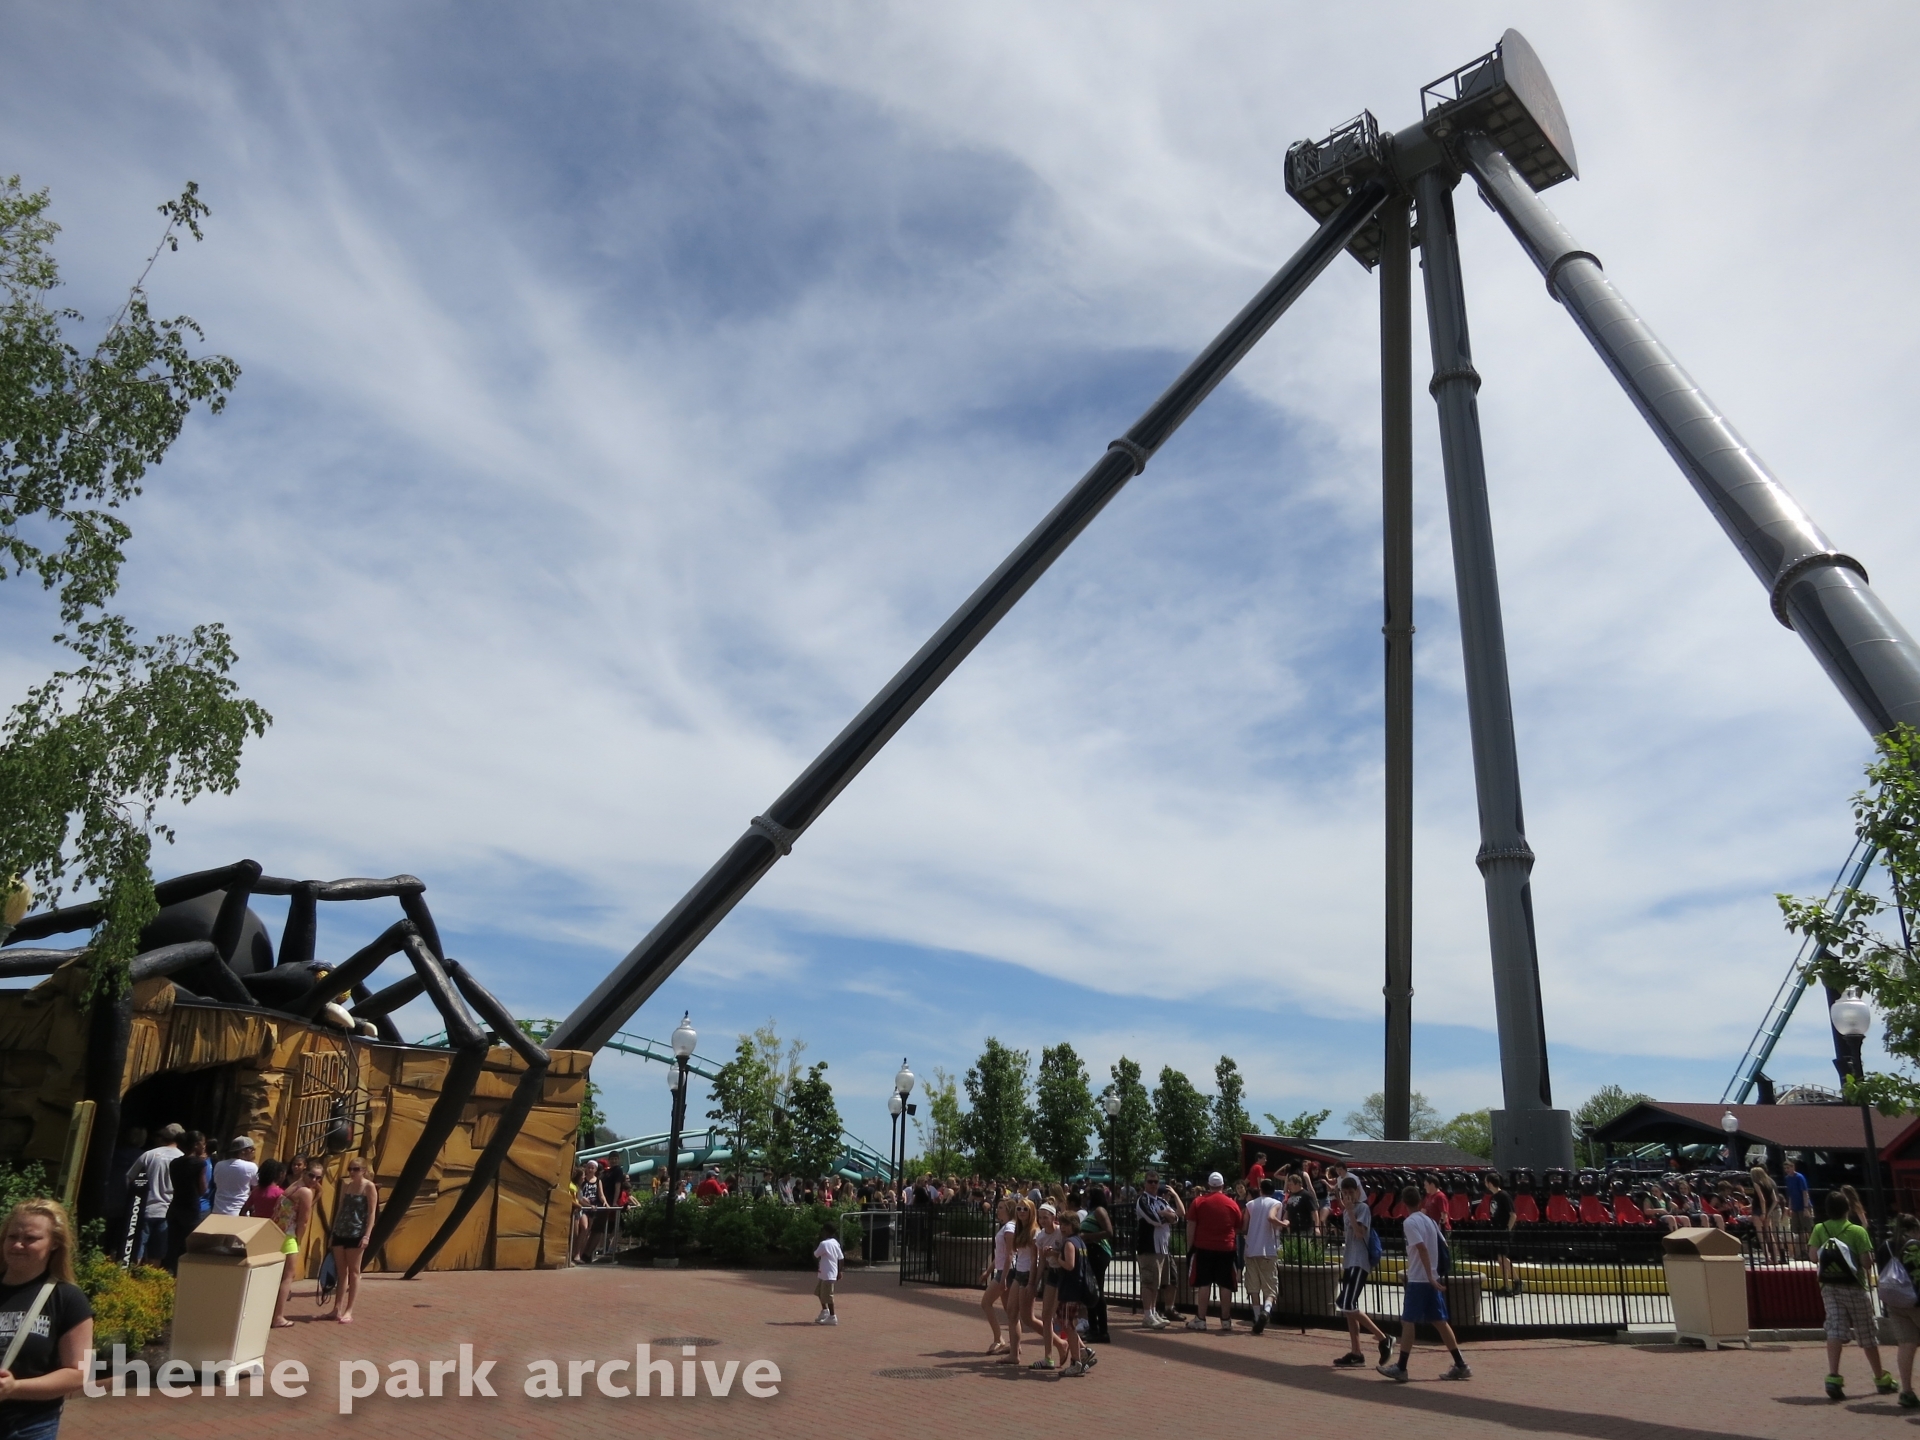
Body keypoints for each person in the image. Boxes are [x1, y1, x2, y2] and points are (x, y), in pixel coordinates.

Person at [0, 1198, 94, 1437]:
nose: (18, 1245)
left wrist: (14, 1388)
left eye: (30, 1238)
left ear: (54, 1244)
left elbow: (77, 1373)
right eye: (12, 1237)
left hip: (27, 1426)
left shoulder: (67, 1298)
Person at [1379, 1184, 1469, 1382]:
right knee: (1439, 1321)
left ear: (1403, 1203)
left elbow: (1421, 1248)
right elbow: (1442, 1245)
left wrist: (1428, 1275)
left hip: (1420, 1279)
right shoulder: (1430, 1221)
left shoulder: (1410, 1222)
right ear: (1420, 1201)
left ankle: (1401, 1367)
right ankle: (1460, 1364)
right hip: (1431, 1277)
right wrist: (1434, 1274)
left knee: (1408, 1321)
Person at [1810, 1189, 1895, 1401]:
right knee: (1866, 1332)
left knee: (1835, 1328)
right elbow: (1866, 1262)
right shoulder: (1857, 1231)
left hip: (1829, 1286)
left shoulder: (1820, 1228)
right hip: (1854, 1285)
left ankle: (1833, 1376)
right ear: (1847, 1209)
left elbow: (1813, 1257)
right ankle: (1880, 1377)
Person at [1332, 1175, 1393, 1368]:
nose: (1348, 1196)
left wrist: (1350, 1210)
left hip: (1360, 1262)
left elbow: (1359, 1233)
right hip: (1350, 1261)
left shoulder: (1362, 1209)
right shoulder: (1346, 1211)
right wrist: (1347, 1210)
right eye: (1345, 1193)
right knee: (1348, 1308)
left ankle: (1383, 1338)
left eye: (1351, 1192)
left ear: (1357, 1192)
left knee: (1346, 1303)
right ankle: (1356, 1352)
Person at [1185, 1171, 1242, 1333]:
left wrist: (1190, 1247)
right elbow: (1238, 1227)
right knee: (1226, 1284)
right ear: (1223, 1185)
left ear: (1209, 1185)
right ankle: (1226, 1320)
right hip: (1226, 1247)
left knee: (1204, 1283)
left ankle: (1201, 1319)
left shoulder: (1199, 1202)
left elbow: (1191, 1226)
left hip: (1204, 1247)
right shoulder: (1232, 1204)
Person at [327, 1158, 378, 1324]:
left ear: (363, 1170)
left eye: (355, 1169)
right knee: (341, 1272)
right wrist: (333, 1232)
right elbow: (340, 1209)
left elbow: (372, 1213)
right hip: (341, 1231)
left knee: (354, 1272)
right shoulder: (347, 1186)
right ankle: (337, 1308)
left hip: (357, 1232)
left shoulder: (369, 1186)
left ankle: (349, 1310)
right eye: (350, 1169)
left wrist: (367, 1235)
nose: (352, 1172)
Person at [124, 1124, 182, 1266]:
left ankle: (133, 1275)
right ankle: (152, 1277)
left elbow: (129, 1178)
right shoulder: (182, 1157)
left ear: (163, 1137)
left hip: (145, 1209)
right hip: (167, 1211)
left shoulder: (149, 1154)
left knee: (137, 1249)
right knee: (157, 1253)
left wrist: (134, 1199)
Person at [1879, 1212, 1920, 1410]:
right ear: (1913, 1229)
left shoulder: (1884, 1247)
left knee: (1906, 1344)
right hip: (1915, 1302)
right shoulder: (1914, 1246)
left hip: (1894, 1302)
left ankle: (1907, 1391)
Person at [1134, 1172, 1183, 1331]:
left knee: (1156, 1283)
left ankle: (1153, 1312)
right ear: (1145, 1183)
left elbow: (1176, 1218)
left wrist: (1165, 1214)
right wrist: (1166, 1216)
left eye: (1156, 1182)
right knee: (1148, 1283)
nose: (1153, 1184)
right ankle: (1147, 1315)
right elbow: (1154, 1219)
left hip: (1162, 1249)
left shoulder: (1161, 1201)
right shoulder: (1143, 1200)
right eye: (1150, 1181)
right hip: (1148, 1247)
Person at [268, 1163, 314, 1329]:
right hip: (289, 1236)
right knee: (288, 1277)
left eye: (318, 1178)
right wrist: (299, 1241)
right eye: (311, 1175)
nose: (314, 1180)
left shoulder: (293, 1186)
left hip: (277, 1233)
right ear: (304, 1172)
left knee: (276, 1276)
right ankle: (278, 1317)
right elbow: (304, 1220)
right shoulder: (306, 1192)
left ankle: (270, 1313)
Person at [162, 1132, 209, 1271]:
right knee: (187, 1246)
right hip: (191, 1208)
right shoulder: (200, 1164)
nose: (204, 1146)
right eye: (203, 1143)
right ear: (196, 1145)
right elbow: (203, 1190)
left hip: (175, 1206)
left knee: (172, 1245)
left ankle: (168, 1273)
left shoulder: (175, 1163)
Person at [1054, 1213, 1092, 1377]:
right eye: (1062, 1224)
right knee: (1067, 1323)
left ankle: (1076, 1361)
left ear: (1074, 1225)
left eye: (1066, 1224)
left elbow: (1069, 1265)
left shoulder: (1069, 1242)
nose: (1063, 1227)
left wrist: (1057, 1258)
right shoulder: (1080, 1242)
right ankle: (1083, 1352)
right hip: (1077, 1288)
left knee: (1068, 1326)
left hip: (1069, 1289)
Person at [1242, 1178, 1282, 1334]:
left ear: (1260, 1189)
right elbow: (1273, 1220)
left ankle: (1257, 1315)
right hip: (1268, 1249)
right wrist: (1284, 1223)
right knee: (1270, 1287)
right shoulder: (1276, 1203)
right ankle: (1266, 1311)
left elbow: (1245, 1226)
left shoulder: (1250, 1204)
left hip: (1251, 1248)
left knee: (1253, 1286)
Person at [1079, 1185, 1115, 1345]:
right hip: (1090, 1253)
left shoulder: (1100, 1211)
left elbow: (1109, 1232)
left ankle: (1102, 1331)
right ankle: (1093, 1328)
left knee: (1097, 1290)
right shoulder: (1091, 1212)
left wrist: (1088, 1237)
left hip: (1099, 1252)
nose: (1085, 1198)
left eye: (1087, 1195)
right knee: (1090, 1290)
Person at [1003, 1199, 1036, 1365]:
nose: (1021, 1211)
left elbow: (1035, 1259)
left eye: (1025, 1209)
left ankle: (1060, 1343)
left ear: (1031, 1212)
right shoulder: (1018, 1229)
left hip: (1028, 1274)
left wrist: (1031, 1282)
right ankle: (1014, 1354)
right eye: (1019, 1209)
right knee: (1011, 1311)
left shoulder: (1033, 1232)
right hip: (1018, 1273)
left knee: (1028, 1318)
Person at [981, 1196, 1015, 1354]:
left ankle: (999, 1339)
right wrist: (988, 1271)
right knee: (1010, 1311)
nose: (998, 1210)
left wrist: (1004, 1277)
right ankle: (1014, 1344)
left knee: (986, 1302)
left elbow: (1009, 1255)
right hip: (1003, 1270)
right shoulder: (1006, 1227)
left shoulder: (1009, 1228)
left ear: (1008, 1210)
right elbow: (1000, 1255)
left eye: (1001, 1207)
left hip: (1005, 1272)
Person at [1484, 1172, 1521, 1296]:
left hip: (1504, 1231)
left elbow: (1513, 1215)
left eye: (1486, 1181)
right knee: (1500, 1259)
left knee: (1502, 1258)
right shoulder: (1493, 1197)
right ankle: (1508, 1284)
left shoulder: (1504, 1196)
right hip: (1496, 1230)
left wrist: (1507, 1230)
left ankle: (1514, 1282)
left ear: (1490, 1183)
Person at [210, 1137, 259, 1216]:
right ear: (243, 1151)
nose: (253, 1152)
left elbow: (216, 1183)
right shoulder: (251, 1166)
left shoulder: (219, 1165)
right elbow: (256, 1189)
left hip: (218, 1211)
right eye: (252, 1149)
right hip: (239, 1212)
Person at [812, 1221, 842, 1325]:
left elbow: (815, 1254)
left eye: (823, 1231)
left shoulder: (824, 1244)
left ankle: (832, 1316)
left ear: (826, 1232)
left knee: (828, 1296)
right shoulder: (835, 1243)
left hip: (828, 1274)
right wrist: (839, 1271)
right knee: (819, 1292)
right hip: (825, 1273)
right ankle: (825, 1311)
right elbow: (841, 1258)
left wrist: (815, 1243)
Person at [1783, 1157, 1813, 1256]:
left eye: (1788, 1168)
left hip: (1803, 1206)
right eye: (1785, 1168)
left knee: (1807, 1228)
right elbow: (1790, 1194)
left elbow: (1805, 1193)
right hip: (1795, 1207)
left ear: (1793, 1167)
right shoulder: (1787, 1179)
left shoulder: (1800, 1177)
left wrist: (1806, 1208)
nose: (1787, 1170)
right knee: (1798, 1230)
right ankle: (1802, 1251)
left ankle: (1811, 1250)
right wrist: (1789, 1207)